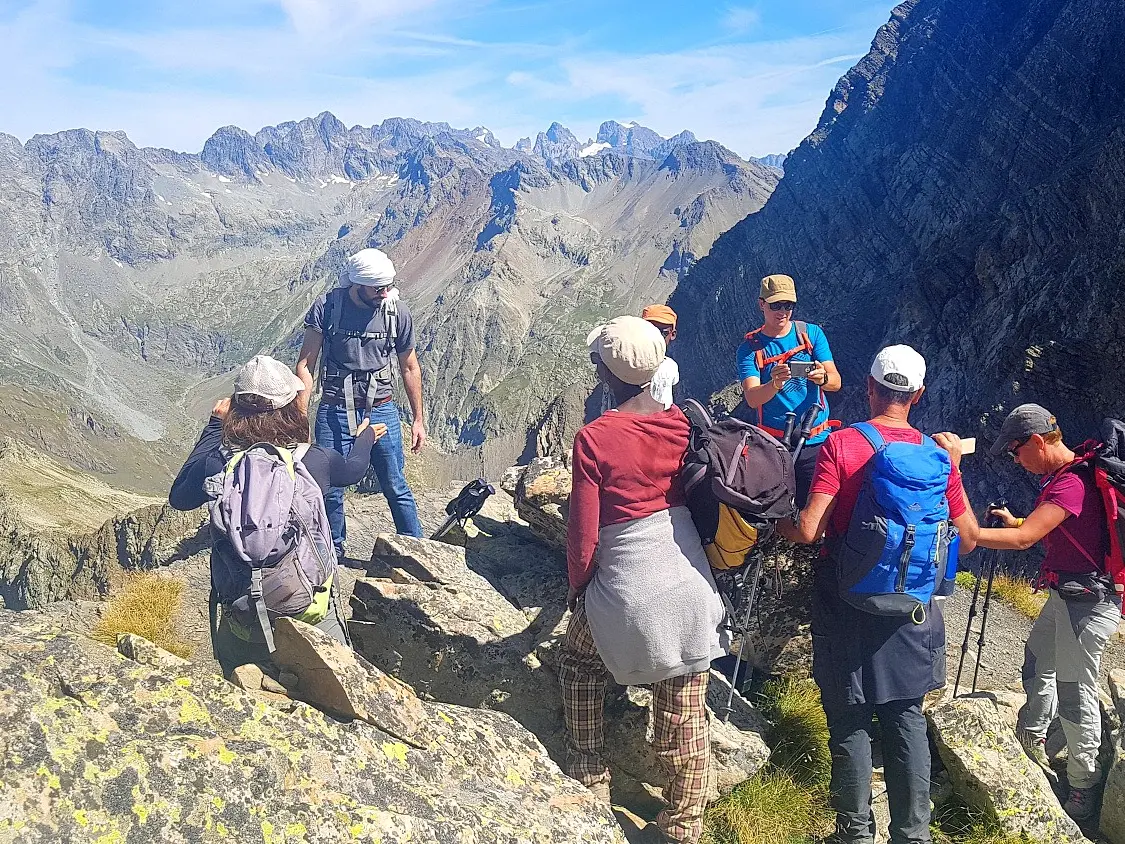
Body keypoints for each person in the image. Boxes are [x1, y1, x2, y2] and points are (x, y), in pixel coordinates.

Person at [778, 345, 977, 844]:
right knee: (904, 715)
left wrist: (772, 518)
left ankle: (855, 834)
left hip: (845, 600)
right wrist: (953, 465)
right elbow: (967, 538)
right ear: (918, 395)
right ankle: (913, 834)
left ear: (869, 388)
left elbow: (808, 530)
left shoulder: (843, 445)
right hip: (911, 605)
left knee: (849, 718)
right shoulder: (937, 456)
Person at [559, 316, 726, 844]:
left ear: (607, 374)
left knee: (580, 663)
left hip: (633, 588)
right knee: (682, 712)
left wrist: (579, 589)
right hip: (692, 586)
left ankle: (590, 779)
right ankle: (683, 825)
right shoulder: (684, 422)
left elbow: (584, 535)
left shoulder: (595, 439)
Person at [169, 354, 386, 675]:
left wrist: (214, 426)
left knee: (242, 695)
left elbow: (179, 498)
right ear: (289, 408)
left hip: (243, 617)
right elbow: (354, 470)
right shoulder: (314, 460)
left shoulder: (216, 464)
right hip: (311, 615)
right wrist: (366, 438)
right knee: (335, 687)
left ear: (236, 409)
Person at [975, 403, 1122, 823]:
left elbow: (1024, 540)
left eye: (1015, 451)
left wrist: (970, 535)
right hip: (1067, 595)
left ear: (1037, 441)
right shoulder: (1065, 477)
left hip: (1089, 605)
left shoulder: (1069, 484)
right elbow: (1051, 527)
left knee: (1076, 693)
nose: (1015, 459)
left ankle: (1083, 784)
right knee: (1037, 663)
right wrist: (1017, 519)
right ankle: (1033, 737)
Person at [296, 248, 425, 554]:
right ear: (358, 284)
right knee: (329, 488)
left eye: (388, 286)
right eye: (379, 288)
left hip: (381, 408)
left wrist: (418, 420)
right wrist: (299, 418)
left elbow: (410, 366)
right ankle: (332, 552)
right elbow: (305, 365)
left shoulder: (397, 312)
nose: (386, 293)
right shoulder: (327, 308)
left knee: (395, 484)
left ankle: (417, 549)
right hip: (334, 408)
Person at [736, 273, 841, 506]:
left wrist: (822, 377)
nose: (782, 311)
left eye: (788, 305)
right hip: (773, 445)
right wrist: (774, 384)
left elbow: (836, 382)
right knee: (775, 508)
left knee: (815, 509)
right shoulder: (750, 349)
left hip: (816, 441)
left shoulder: (811, 334)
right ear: (762, 304)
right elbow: (753, 398)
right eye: (775, 305)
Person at [642, 304, 680, 410]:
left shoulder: (671, 367)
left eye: (662, 333)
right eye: (650, 331)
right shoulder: (628, 362)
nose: (655, 337)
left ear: (672, 334)